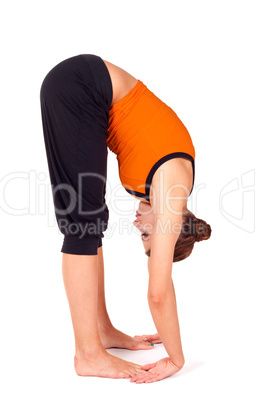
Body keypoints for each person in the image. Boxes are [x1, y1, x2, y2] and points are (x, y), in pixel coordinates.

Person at [39, 54, 212, 384]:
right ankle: (88, 354)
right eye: (148, 236)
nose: (139, 229)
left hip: (82, 89)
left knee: (90, 220)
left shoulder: (164, 185)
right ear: (172, 227)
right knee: (82, 224)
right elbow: (158, 290)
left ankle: (101, 331)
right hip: (81, 86)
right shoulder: (173, 189)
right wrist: (176, 357)